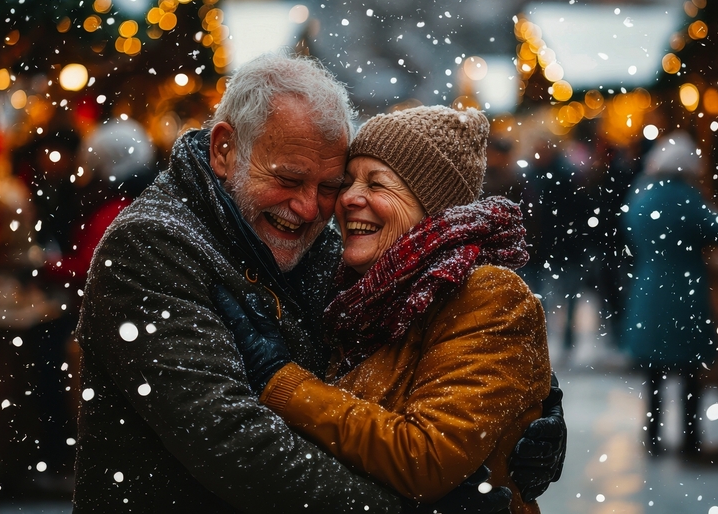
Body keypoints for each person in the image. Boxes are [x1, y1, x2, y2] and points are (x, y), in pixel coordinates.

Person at [73, 52, 565, 513]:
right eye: (288, 178)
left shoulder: (313, 246)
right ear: (225, 151)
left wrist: (531, 414)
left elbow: (432, 335)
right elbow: (232, 444)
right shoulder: (150, 246)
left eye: (328, 186)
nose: (311, 208)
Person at [211, 105, 554, 513]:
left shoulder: (484, 293)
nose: (350, 198)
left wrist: (282, 381)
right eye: (349, 181)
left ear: (432, 209)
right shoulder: (358, 291)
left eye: (377, 184)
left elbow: (425, 458)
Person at [621, 130, 718, 456]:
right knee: (688, 372)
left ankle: (653, 438)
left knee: (654, 374)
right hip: (684, 290)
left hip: (649, 288)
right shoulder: (686, 197)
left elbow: (629, 233)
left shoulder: (641, 195)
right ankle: (690, 440)